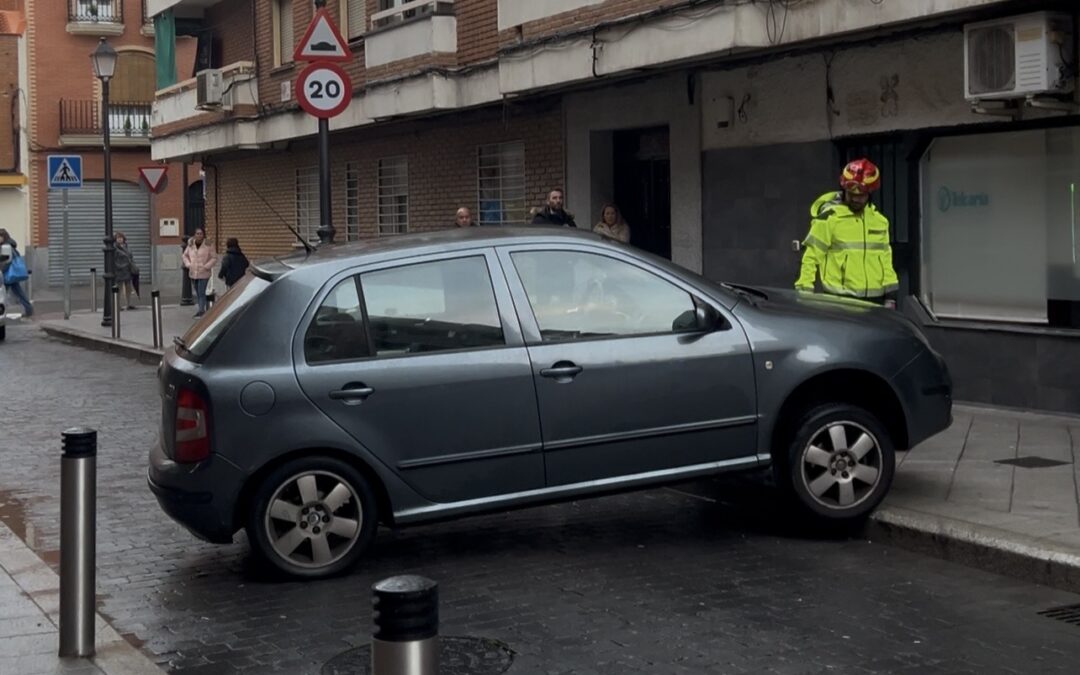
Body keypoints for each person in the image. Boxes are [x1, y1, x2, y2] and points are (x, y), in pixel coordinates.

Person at [795, 158, 899, 308]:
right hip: (840, 302)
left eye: (861, 195)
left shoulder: (880, 221)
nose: (856, 199)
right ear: (844, 190)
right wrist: (804, 294)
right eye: (852, 194)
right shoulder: (829, 218)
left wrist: (891, 296)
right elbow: (810, 257)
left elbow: (886, 260)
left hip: (876, 303)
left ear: (870, 193)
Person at [182, 228, 217, 317]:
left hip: (204, 272)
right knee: (197, 292)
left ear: (203, 235)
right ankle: (201, 309)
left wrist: (206, 266)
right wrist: (188, 264)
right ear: (194, 235)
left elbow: (214, 257)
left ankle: (201, 311)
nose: (199, 235)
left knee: (201, 292)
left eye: (201, 233)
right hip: (193, 272)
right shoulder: (190, 244)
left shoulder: (208, 244)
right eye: (197, 233)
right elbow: (185, 255)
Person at [0, 228, 32, 317]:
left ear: (3, 237)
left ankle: (29, 309)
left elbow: (7, 260)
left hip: (8, 274)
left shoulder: (7, 246)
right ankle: (29, 309)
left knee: (2, 293)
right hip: (11, 275)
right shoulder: (10, 244)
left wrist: (2, 270)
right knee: (18, 293)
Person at [113, 232, 138, 310]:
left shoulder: (127, 247)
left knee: (128, 288)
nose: (120, 239)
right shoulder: (114, 248)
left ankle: (128, 304)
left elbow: (131, 257)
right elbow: (114, 260)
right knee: (119, 289)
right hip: (119, 270)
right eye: (118, 238)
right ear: (115, 239)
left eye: (121, 237)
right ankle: (118, 305)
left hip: (128, 270)